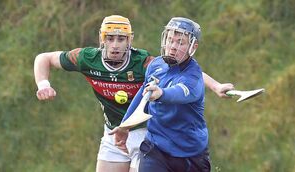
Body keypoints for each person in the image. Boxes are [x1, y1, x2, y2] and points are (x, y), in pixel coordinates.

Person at [34, 15, 232, 172]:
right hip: (114, 130)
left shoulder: (143, 62)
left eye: (121, 39)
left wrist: (215, 86)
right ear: (101, 39)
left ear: (130, 40)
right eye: (110, 39)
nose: (115, 45)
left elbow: (184, 77)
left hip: (146, 134)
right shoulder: (87, 58)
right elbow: (44, 58)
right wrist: (43, 84)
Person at [110, 17, 212, 172]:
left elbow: (180, 93)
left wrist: (161, 93)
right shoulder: (156, 65)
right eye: (170, 40)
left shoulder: (194, 77)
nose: (173, 47)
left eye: (180, 42)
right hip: (155, 148)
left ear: (193, 47)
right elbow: (141, 96)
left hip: (190, 155)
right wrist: (125, 126)